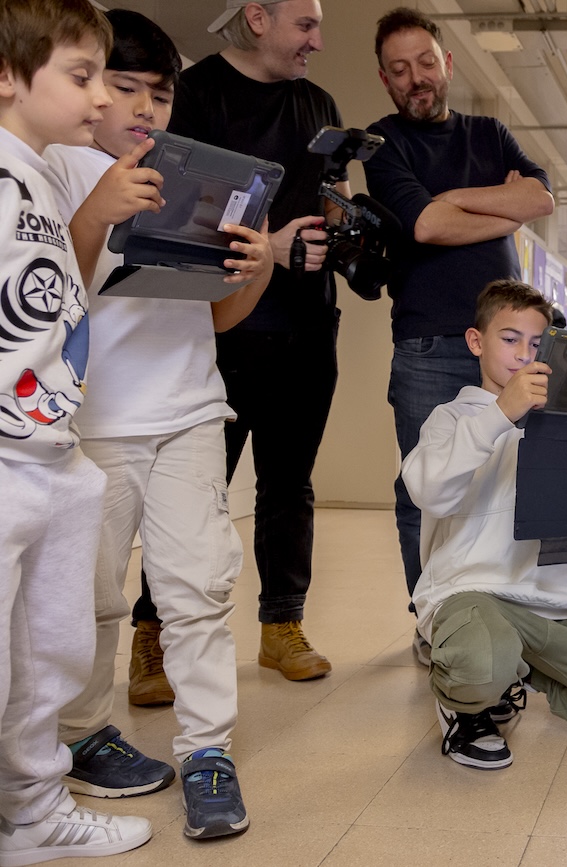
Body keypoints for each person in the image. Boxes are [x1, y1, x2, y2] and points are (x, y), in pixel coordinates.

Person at [44, 9, 273, 839]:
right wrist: (96, 213)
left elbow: (217, 318)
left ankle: (209, 750)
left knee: (199, 591)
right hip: (95, 424)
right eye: (124, 87)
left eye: (161, 94)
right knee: (91, 596)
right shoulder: (54, 167)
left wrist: (256, 268)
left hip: (192, 411)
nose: (145, 108)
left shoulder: (187, 174)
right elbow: (45, 302)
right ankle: (82, 735)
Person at [126, 0, 347, 684]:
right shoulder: (196, 96)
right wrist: (269, 248)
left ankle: (281, 625)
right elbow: (177, 213)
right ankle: (151, 634)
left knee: (290, 484)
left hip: (308, 326)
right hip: (222, 328)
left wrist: (339, 221)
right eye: (305, 25)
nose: (317, 40)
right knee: (195, 491)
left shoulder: (318, 103)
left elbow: (328, 193)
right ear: (257, 18)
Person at [0, 1, 153, 862]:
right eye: (83, 75)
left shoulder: (42, 178)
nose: (102, 98)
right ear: (7, 75)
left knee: (44, 658)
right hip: (4, 463)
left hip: (52, 456)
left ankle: (33, 813)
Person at [403, 280, 567, 770]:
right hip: (470, 595)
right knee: (481, 665)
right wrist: (502, 413)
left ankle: (519, 670)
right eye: (509, 339)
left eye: (537, 344)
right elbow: (428, 491)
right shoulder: (452, 418)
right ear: (476, 341)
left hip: (548, 605)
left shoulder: (566, 426)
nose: (524, 355)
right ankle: (465, 702)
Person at [362, 7, 555, 638]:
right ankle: (435, 624)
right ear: (385, 80)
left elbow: (540, 197)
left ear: (446, 64)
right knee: (425, 488)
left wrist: (453, 200)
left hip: (508, 344)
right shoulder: (383, 143)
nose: (415, 77)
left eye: (425, 62)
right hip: (428, 345)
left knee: (513, 475)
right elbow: (424, 226)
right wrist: (501, 211)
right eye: (399, 69)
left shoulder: (489, 133)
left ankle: (507, 609)